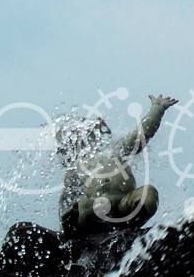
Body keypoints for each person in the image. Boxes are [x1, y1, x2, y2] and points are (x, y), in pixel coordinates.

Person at [56, 94, 178, 238]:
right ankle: (76, 232)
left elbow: (142, 134)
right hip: (96, 206)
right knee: (82, 207)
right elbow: (66, 199)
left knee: (149, 194)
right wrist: (66, 220)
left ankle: (133, 223)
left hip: (124, 202)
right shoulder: (76, 169)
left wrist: (157, 108)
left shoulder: (118, 150)